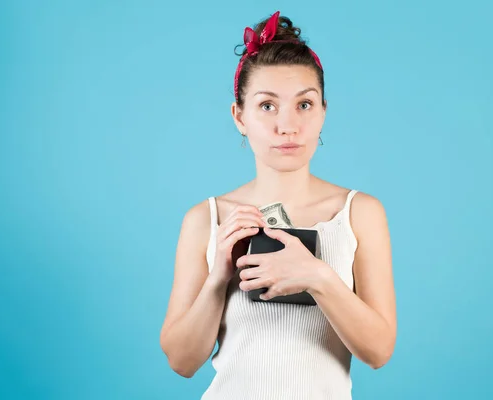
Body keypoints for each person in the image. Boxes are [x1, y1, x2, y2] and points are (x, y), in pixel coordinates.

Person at [160, 11, 397, 399]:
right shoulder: (206, 219)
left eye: (304, 105)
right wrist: (219, 276)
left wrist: (318, 277)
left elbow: (378, 351)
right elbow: (181, 362)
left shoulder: (360, 213)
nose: (287, 125)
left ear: (323, 112)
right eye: (267, 106)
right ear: (239, 116)